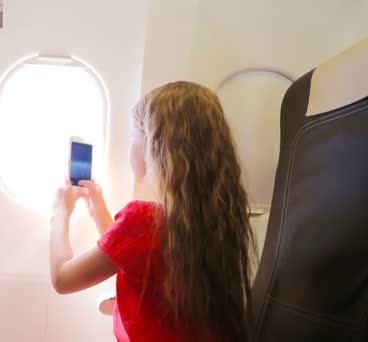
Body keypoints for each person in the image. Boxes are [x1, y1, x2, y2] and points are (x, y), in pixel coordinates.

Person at [49, 81, 257, 341]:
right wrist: (98, 210)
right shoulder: (215, 220)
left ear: (156, 147)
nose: (128, 147)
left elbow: (62, 279)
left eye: (132, 138)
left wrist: (60, 214)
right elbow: (129, 253)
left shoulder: (143, 220)